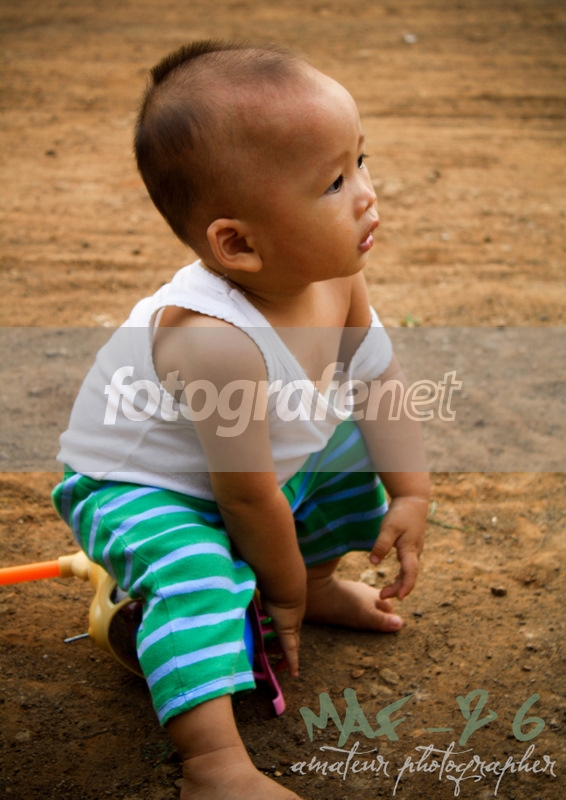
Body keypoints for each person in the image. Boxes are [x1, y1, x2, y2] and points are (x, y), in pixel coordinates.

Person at [52, 40, 430, 800]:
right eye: (333, 182)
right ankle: (213, 765)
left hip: (251, 467)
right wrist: (275, 590)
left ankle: (318, 581)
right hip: (138, 486)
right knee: (198, 574)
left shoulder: (337, 279)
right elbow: (247, 499)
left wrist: (411, 491)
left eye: (360, 160)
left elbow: (378, 382)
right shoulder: (213, 341)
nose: (366, 193)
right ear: (239, 243)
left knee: (346, 449)